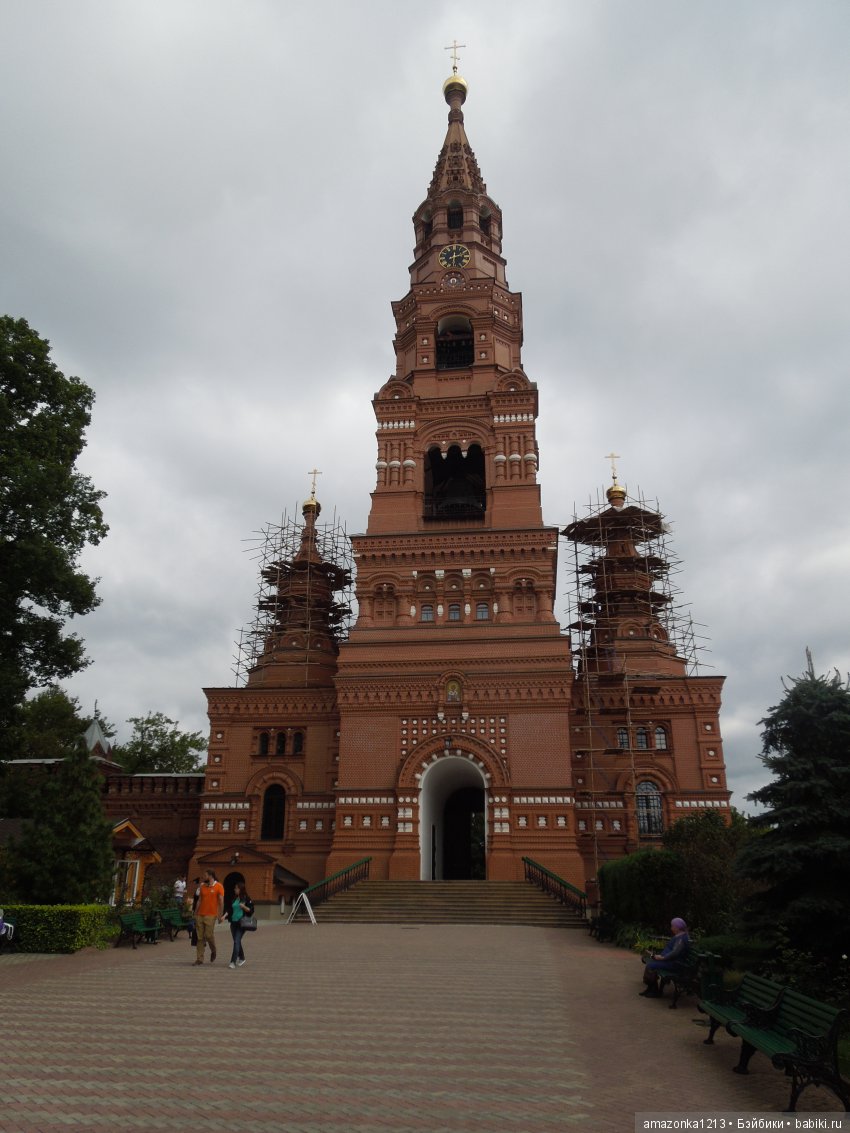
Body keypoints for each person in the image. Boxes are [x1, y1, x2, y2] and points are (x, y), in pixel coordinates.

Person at [639, 917, 690, 997]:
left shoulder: (682, 939)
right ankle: (651, 988)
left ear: (678, 927)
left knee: (650, 966)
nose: (671, 928)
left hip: (675, 964)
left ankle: (655, 991)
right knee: (651, 964)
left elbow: (674, 953)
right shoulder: (679, 936)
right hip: (669, 961)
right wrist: (660, 956)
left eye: (672, 926)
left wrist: (662, 958)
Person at [193, 869, 224, 966]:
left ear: (210, 876)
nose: (203, 877)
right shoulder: (202, 886)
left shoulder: (219, 886)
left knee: (208, 935)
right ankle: (199, 959)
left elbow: (221, 902)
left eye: (205, 875)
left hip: (211, 915)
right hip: (200, 915)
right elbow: (199, 900)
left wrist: (220, 915)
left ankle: (213, 950)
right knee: (200, 937)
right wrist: (195, 912)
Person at [227, 882, 254, 969]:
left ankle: (233, 962)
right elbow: (230, 909)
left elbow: (251, 910)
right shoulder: (235, 898)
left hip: (241, 923)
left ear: (241, 889)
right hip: (233, 923)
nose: (235, 889)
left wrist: (244, 907)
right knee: (237, 941)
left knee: (236, 941)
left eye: (236, 888)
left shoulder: (246, 899)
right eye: (235, 888)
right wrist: (223, 916)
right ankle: (242, 958)